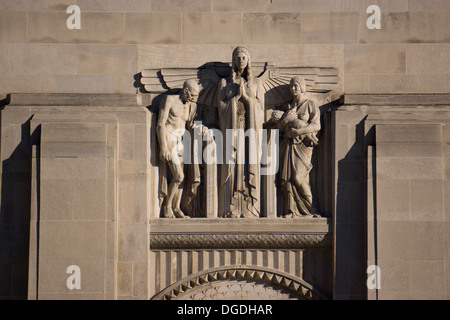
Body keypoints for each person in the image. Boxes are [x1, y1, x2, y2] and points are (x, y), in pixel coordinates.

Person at [217, 46, 265, 218]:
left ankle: (251, 206)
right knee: (233, 166)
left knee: (248, 166)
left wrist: (247, 100)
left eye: (244, 57)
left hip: (249, 131)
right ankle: (232, 205)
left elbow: (261, 110)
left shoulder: (257, 84)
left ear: (248, 60)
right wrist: (235, 99)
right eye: (237, 57)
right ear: (233, 60)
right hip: (232, 131)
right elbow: (220, 108)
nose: (241, 60)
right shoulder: (224, 83)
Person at [278, 77, 321, 218]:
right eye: (291, 86)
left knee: (298, 178)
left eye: (296, 86)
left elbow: (316, 126)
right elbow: (279, 127)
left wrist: (298, 132)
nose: (293, 89)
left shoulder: (310, 104)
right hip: (288, 145)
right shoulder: (288, 107)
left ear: (302, 87)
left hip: (303, 146)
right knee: (288, 179)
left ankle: (311, 209)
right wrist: (285, 120)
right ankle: (291, 210)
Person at [157, 80, 199, 218]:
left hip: (180, 142)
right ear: (185, 90)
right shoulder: (169, 99)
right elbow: (161, 124)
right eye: (192, 95)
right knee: (179, 176)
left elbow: (190, 124)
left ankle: (176, 207)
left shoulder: (188, 105)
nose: (194, 99)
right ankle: (167, 207)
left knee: (183, 178)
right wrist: (163, 147)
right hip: (169, 138)